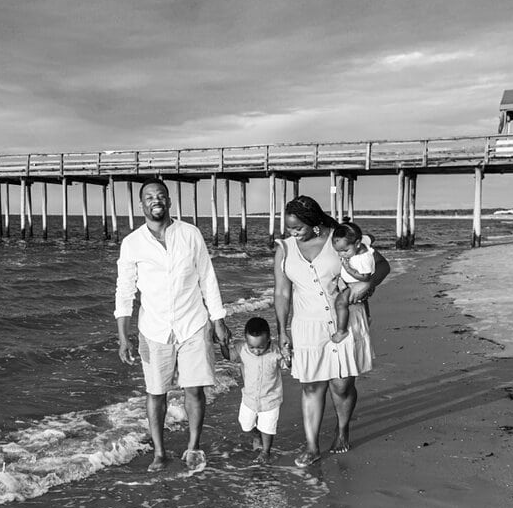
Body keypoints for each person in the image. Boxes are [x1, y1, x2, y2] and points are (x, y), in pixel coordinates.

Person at [115, 178, 230, 473]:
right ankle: (159, 453)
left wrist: (218, 321)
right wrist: (123, 337)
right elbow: (125, 291)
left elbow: (207, 277)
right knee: (156, 392)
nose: (156, 200)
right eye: (149, 197)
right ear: (141, 205)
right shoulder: (132, 243)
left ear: (169, 201)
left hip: (193, 323)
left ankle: (193, 447)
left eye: (161, 195)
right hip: (153, 329)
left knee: (194, 390)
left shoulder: (190, 234)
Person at [273, 195, 389, 467]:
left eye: (297, 228)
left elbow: (382, 266)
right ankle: (312, 446)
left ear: (314, 224)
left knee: (341, 385)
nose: (293, 233)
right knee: (311, 387)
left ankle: (342, 429)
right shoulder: (285, 249)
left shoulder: (339, 240)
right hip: (307, 325)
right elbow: (281, 292)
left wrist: (368, 286)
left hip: (345, 321)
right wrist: (282, 331)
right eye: (289, 228)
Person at [331, 219, 382, 375]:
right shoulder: (358, 247)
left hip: (354, 284)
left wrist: (347, 269)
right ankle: (367, 316)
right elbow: (369, 238)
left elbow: (365, 277)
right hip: (349, 282)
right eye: (338, 251)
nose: (341, 254)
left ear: (357, 244)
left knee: (340, 303)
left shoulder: (363, 257)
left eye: (344, 251)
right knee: (363, 302)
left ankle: (341, 330)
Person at [238, 315, 283, 460]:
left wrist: (288, 356)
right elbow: (229, 356)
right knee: (245, 424)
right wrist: (223, 344)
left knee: (268, 428)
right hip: (249, 399)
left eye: (260, 347)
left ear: (269, 339)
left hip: (270, 399)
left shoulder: (276, 352)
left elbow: (287, 365)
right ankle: (256, 434)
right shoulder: (242, 349)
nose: (256, 351)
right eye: (252, 347)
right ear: (246, 341)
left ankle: (265, 451)